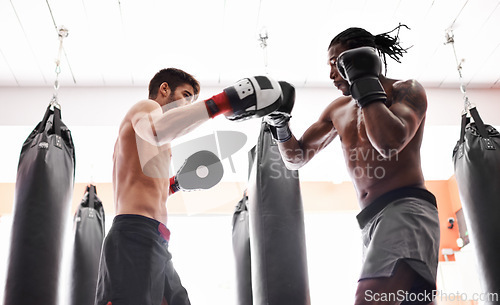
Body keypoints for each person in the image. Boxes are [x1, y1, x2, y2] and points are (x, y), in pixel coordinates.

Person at [265, 25, 440, 305]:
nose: (332, 74)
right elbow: (296, 158)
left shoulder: (405, 90)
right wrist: (280, 124)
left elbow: (389, 142)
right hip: (370, 221)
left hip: (405, 211)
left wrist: (364, 83)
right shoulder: (337, 109)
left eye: (336, 63)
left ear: (360, 58)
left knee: (369, 298)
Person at [95, 68, 283, 305]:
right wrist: (222, 102)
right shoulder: (146, 108)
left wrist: (176, 184)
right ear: (164, 89)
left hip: (155, 238)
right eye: (185, 95)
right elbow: (156, 131)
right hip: (133, 236)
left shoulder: (159, 141)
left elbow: (148, 188)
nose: (187, 105)